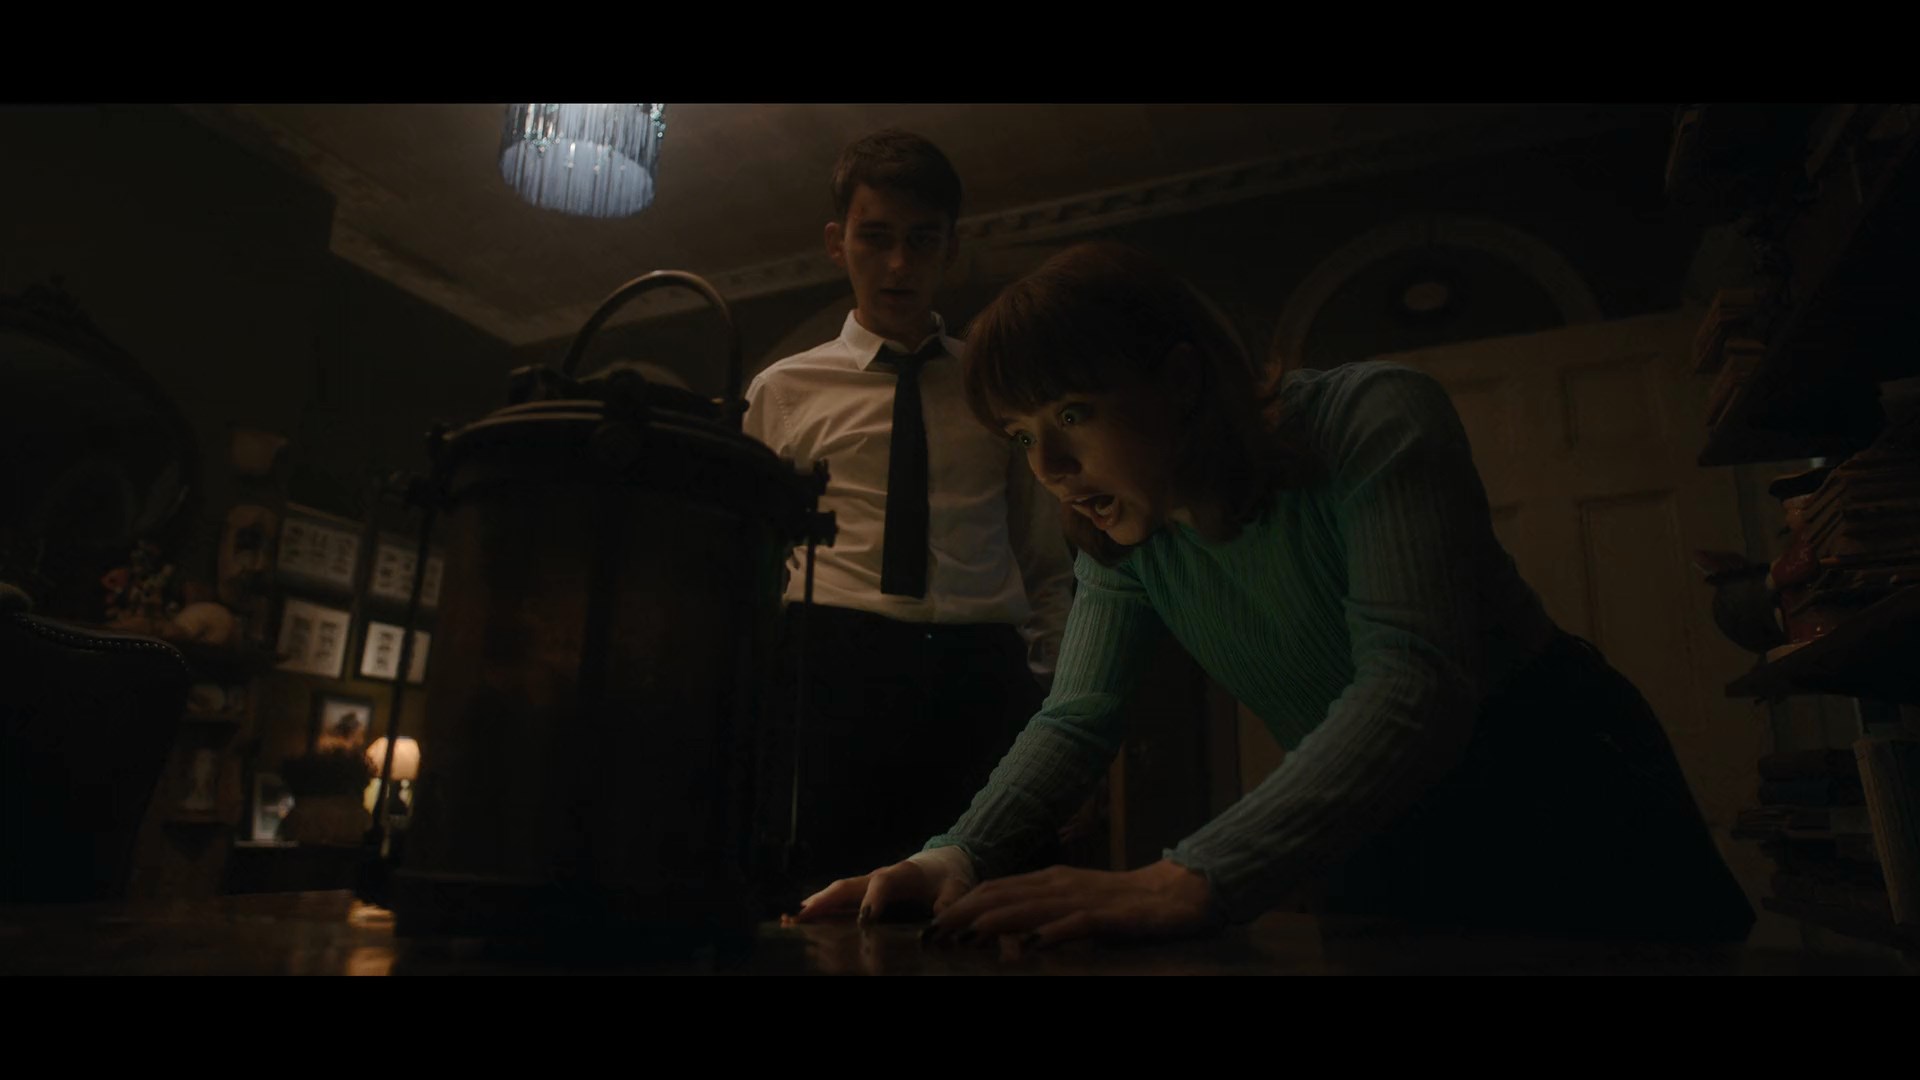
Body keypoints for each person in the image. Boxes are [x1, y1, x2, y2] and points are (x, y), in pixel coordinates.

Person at [797, 240, 1755, 946]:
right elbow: (1077, 718)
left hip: (1561, 789)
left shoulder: (1370, 416)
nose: (1046, 465)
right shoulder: (1125, 538)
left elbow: (1413, 682)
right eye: (1019, 435)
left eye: (1073, 413)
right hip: (1376, 818)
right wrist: (953, 855)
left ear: (1179, 380)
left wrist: (1189, 875)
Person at [742, 130, 1074, 896]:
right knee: (818, 902)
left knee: (992, 906)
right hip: (828, 669)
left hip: (980, 673)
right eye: (877, 237)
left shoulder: (994, 383)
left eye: (922, 240)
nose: (898, 264)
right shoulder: (782, 391)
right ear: (838, 242)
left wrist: (1050, 689)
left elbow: (1043, 560)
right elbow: (749, 564)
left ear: (951, 247)